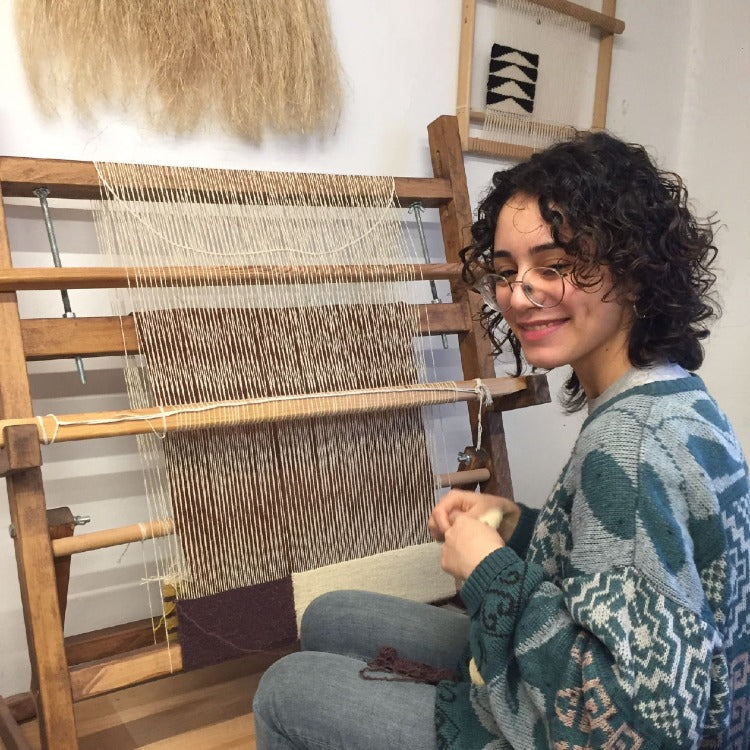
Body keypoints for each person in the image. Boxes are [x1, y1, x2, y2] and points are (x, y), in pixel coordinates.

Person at [252, 131, 750, 749]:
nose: (520, 293)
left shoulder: (631, 443)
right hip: (595, 685)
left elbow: (627, 730)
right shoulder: (674, 396)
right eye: (508, 271)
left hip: (569, 728)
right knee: (330, 616)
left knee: (284, 690)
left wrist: (490, 570)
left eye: (555, 265)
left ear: (635, 269)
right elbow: (615, 557)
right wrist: (514, 525)